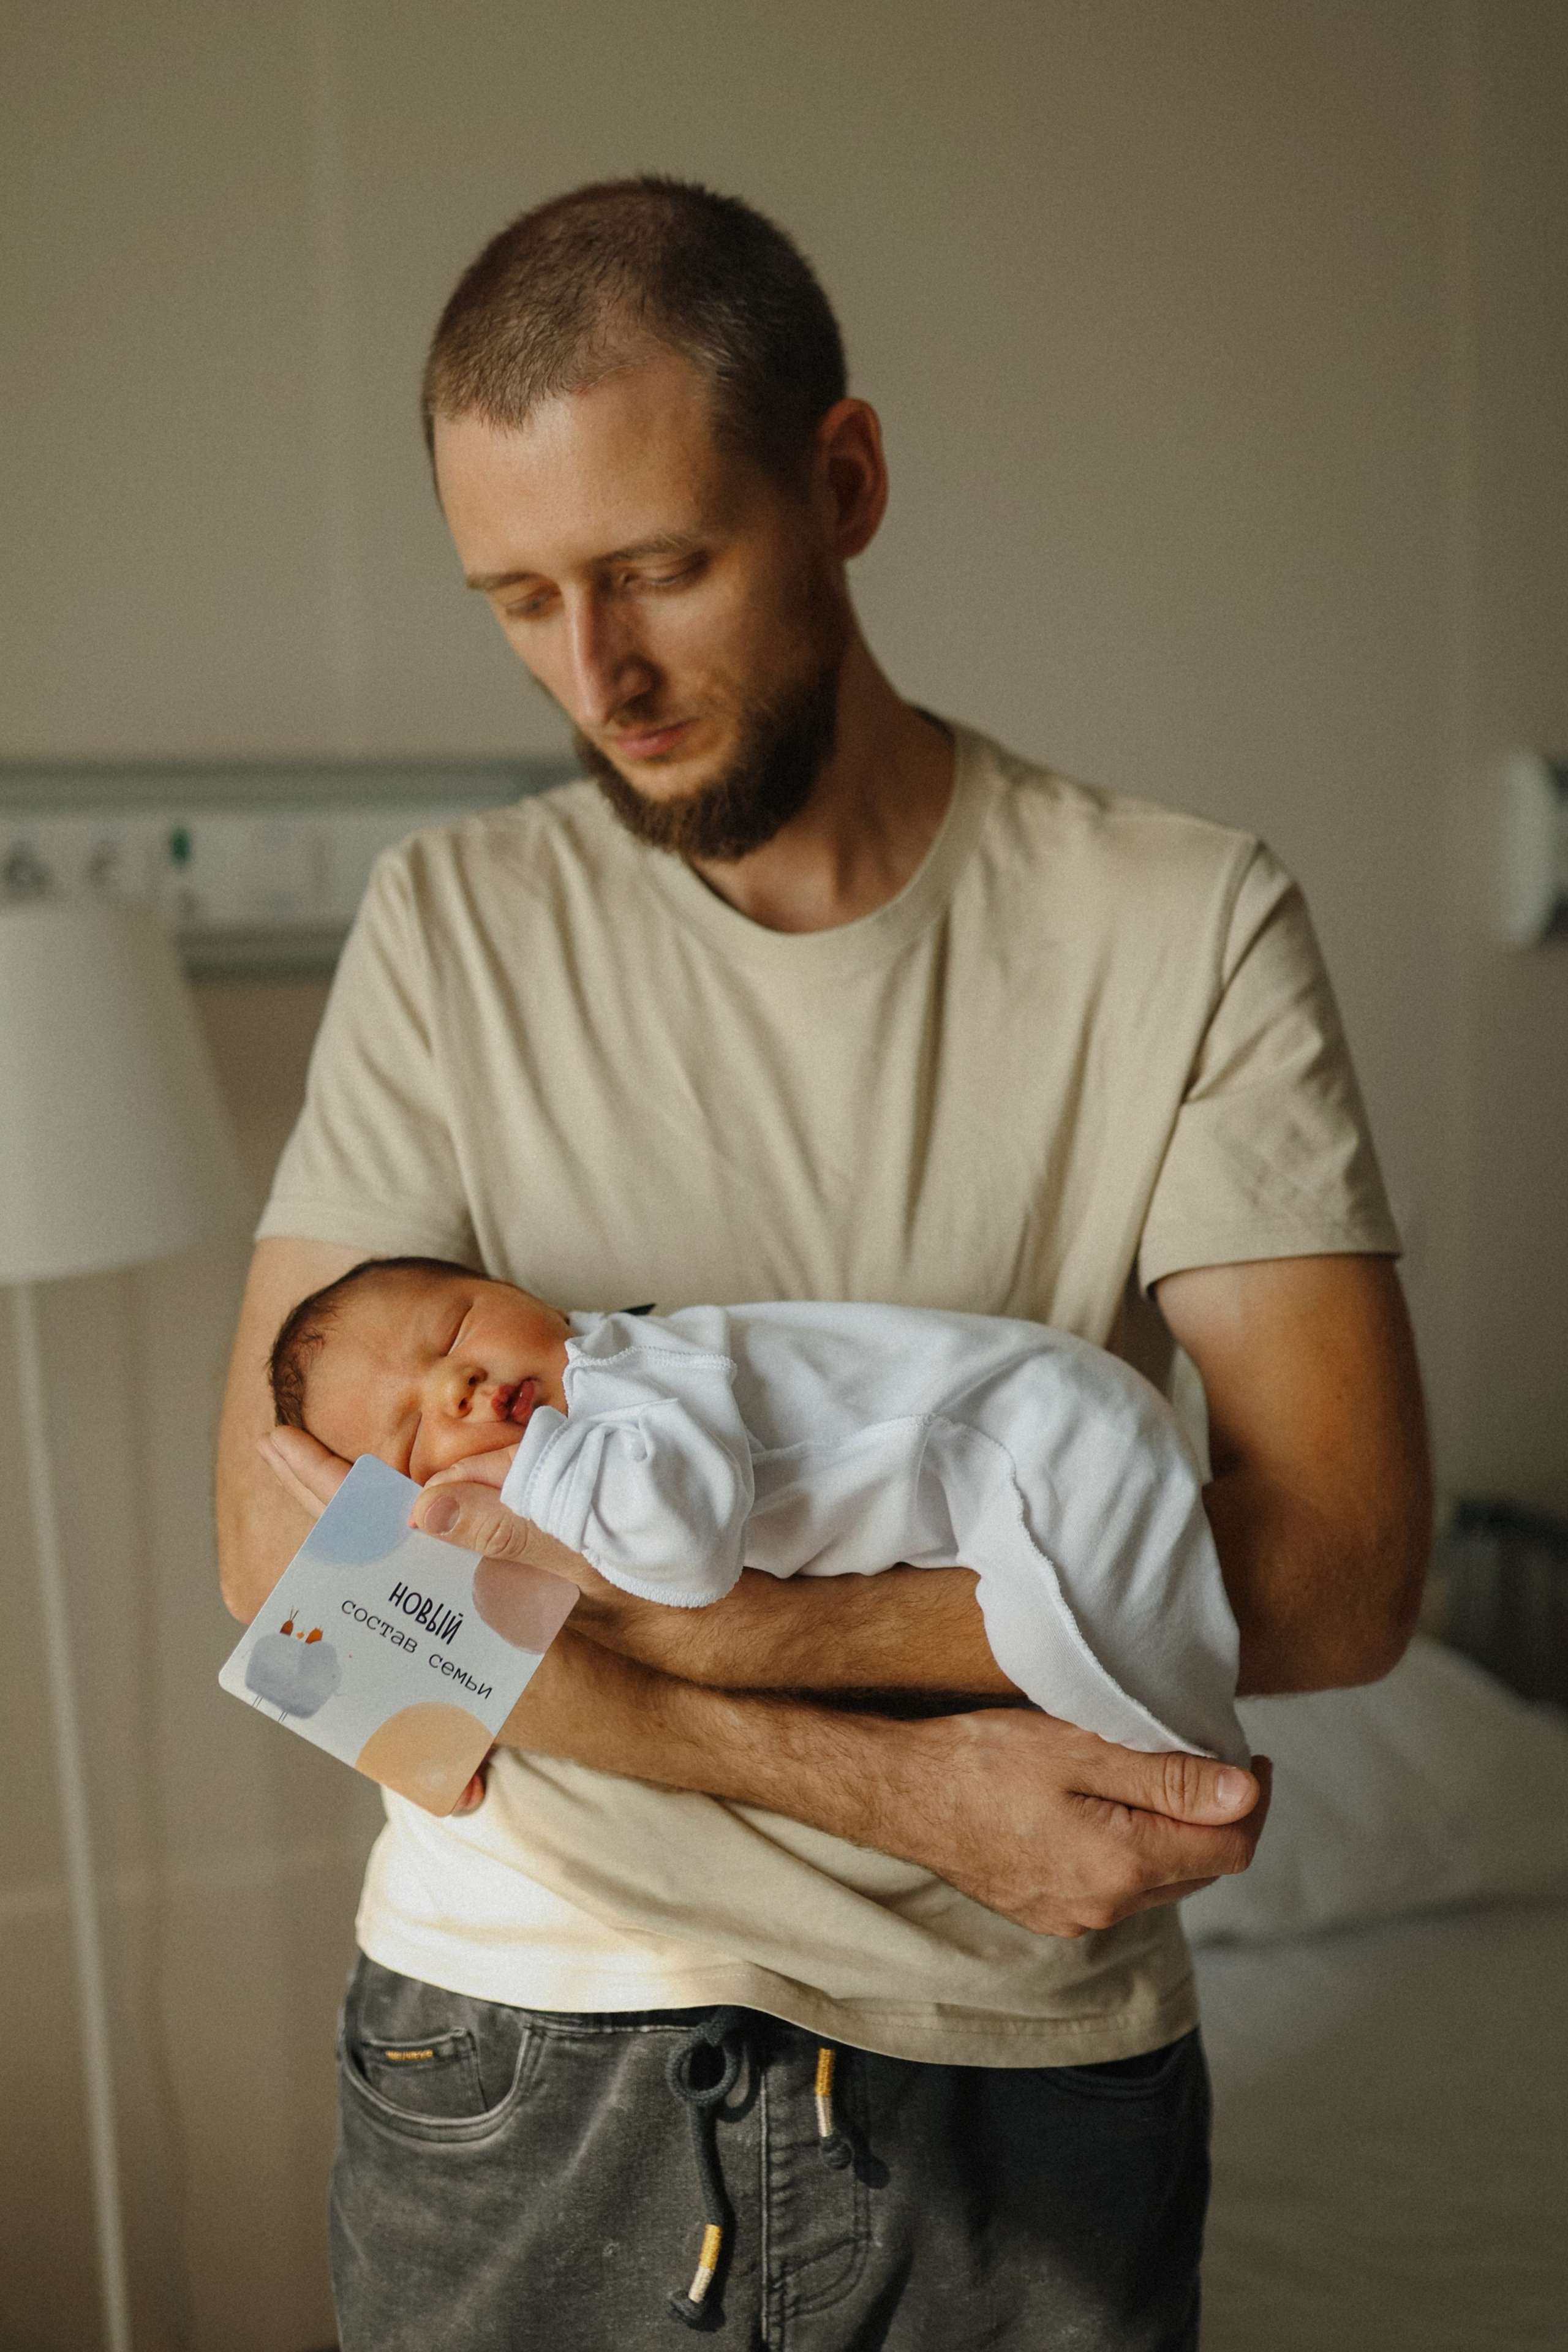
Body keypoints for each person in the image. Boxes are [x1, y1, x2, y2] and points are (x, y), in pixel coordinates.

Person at [216, 177, 1431, 2350]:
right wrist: (886, 1775)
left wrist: (608, 1615)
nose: (595, 675)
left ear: (843, 482)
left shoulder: (1181, 924)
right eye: (516, 599)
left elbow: (1338, 1570)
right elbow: (291, 1590)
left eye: (658, 569)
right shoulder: (452, 931)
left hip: (1027, 2062)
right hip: (515, 2045)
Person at [266, 1257, 1251, 1764]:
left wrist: (527, 1479)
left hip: (1039, 1432)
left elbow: (687, 1557)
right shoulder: (588, 1424)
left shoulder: (628, 1371)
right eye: (410, 1437)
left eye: (453, 1327)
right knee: (1074, 1670)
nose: (456, 1386)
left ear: (515, 1289)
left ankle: (1202, 1774)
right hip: (1004, 1455)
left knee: (1081, 1655)